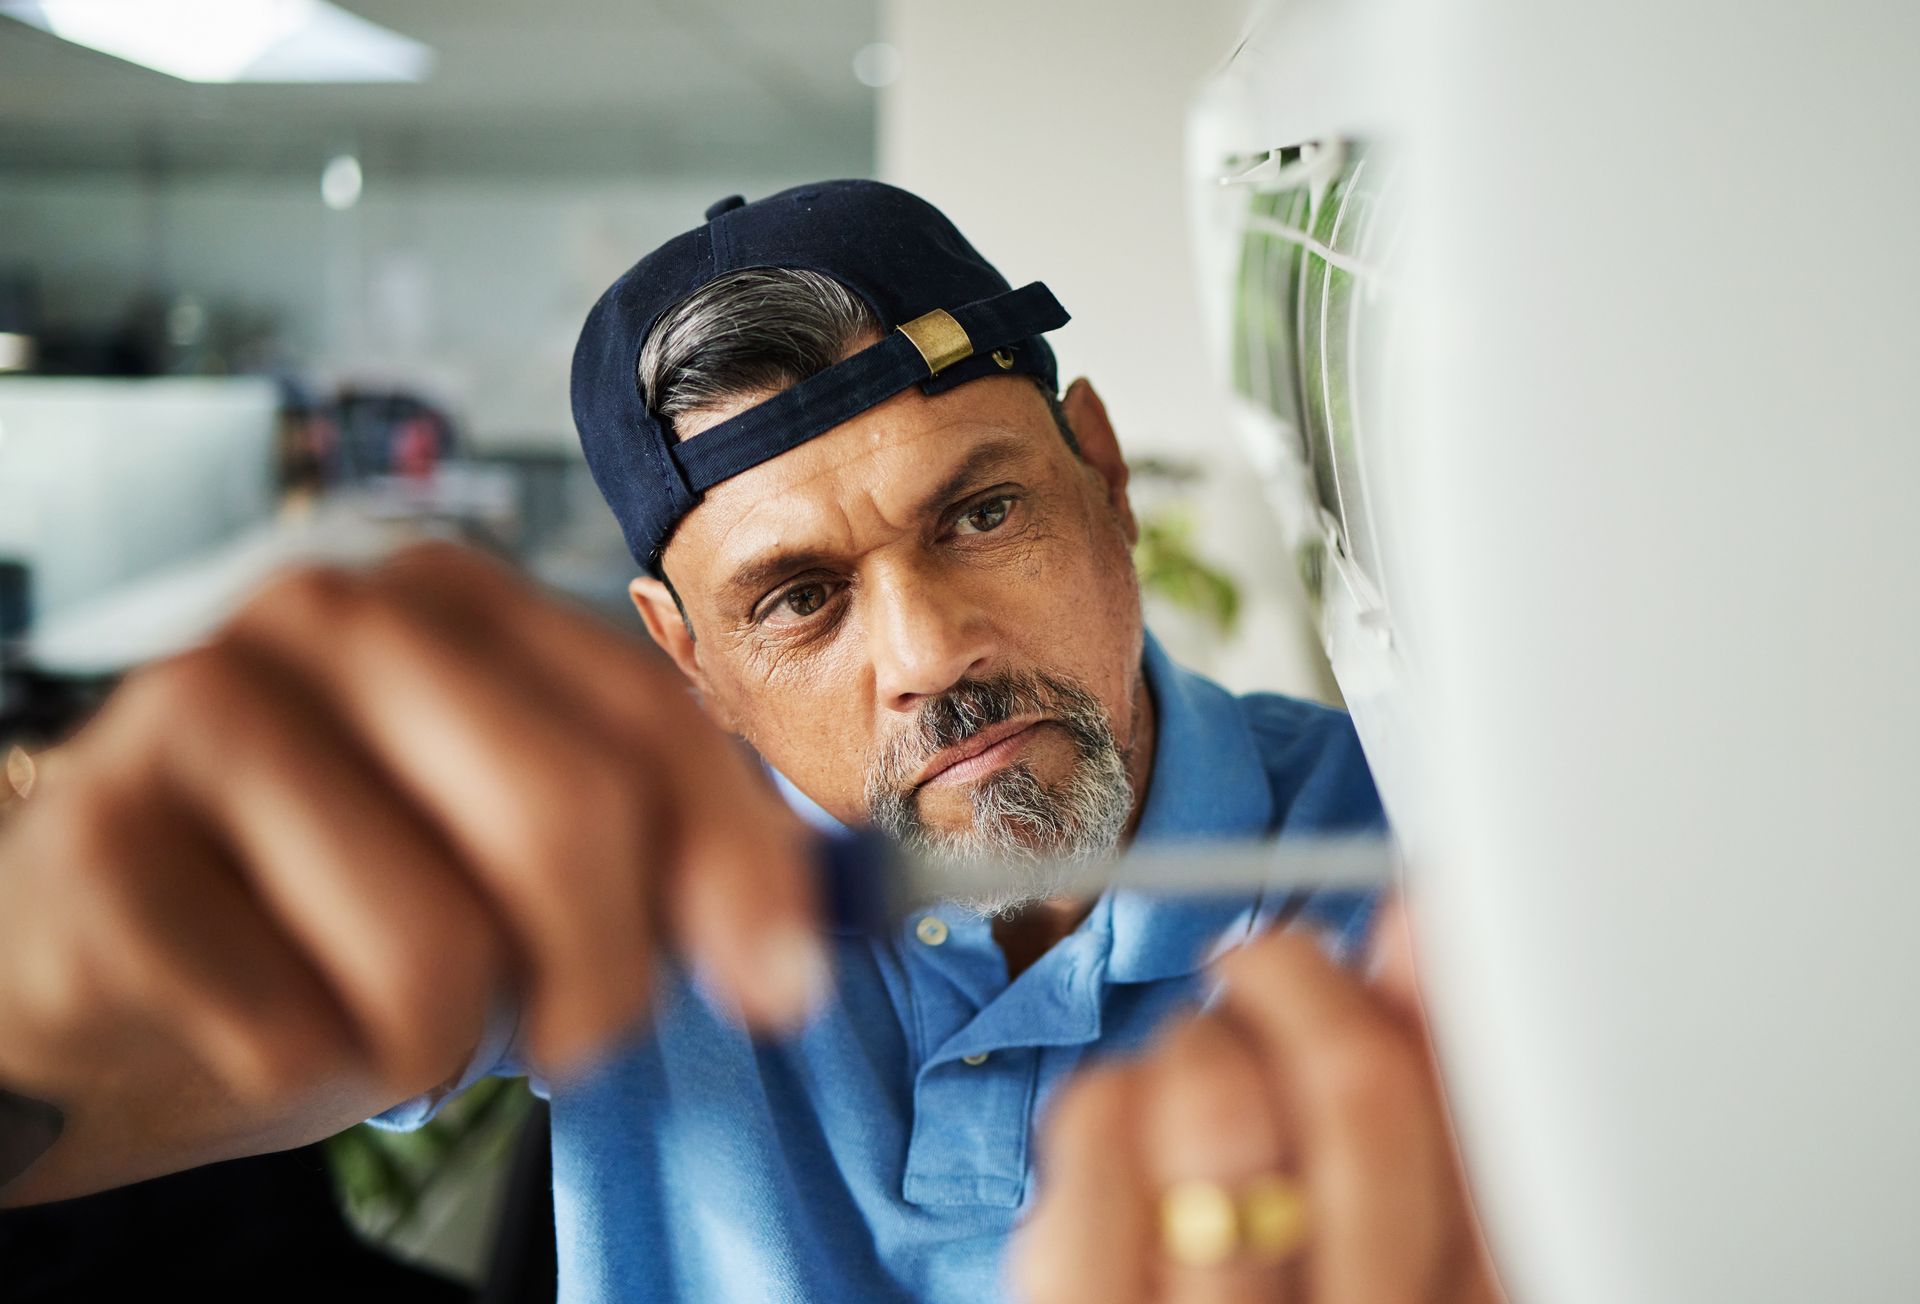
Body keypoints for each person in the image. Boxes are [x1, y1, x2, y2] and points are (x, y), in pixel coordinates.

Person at [0, 181, 1498, 1302]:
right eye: (799, 598)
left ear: (1103, 480)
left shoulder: (1442, 861)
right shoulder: (607, 874)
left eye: (983, 514)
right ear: (689, 658)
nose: (928, 655)